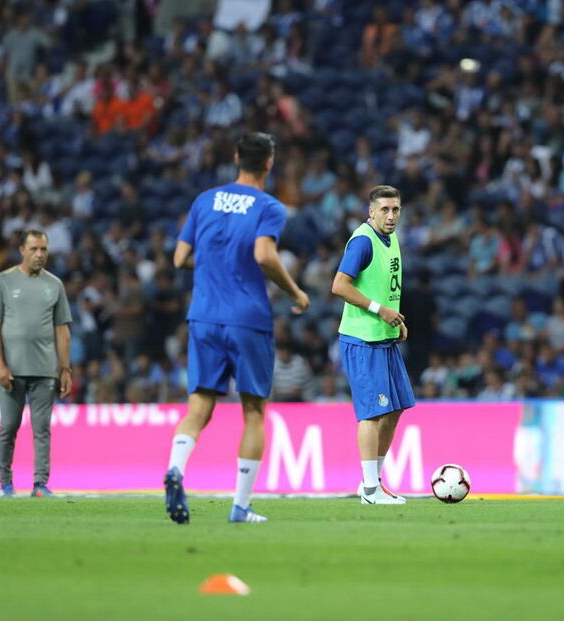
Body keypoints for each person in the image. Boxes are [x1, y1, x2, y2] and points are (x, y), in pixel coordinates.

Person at [163, 132, 309, 525]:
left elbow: (179, 258)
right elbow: (264, 254)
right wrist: (295, 291)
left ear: (235, 158)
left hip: (203, 316)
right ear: (269, 163)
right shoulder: (269, 206)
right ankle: (240, 507)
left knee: (199, 406)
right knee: (255, 411)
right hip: (247, 318)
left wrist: (215, 264)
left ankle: (176, 468)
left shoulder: (204, 200)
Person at [331, 185, 416, 505]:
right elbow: (339, 285)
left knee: (395, 408)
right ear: (371, 212)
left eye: (396, 209)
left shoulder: (391, 238)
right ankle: (369, 489)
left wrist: (395, 319)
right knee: (372, 413)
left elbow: (385, 286)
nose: (391, 216)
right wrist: (380, 311)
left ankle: (374, 482)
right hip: (363, 339)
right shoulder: (363, 241)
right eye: (384, 210)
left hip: (384, 337)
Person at [0, 230, 72, 498]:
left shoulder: (55, 285)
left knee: (42, 429)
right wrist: (1, 365)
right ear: (22, 250)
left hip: (45, 370)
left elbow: (62, 330)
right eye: (34, 249)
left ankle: (40, 484)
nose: (39, 254)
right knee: (8, 428)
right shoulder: (4, 281)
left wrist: (65, 369)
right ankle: (5, 483)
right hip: (12, 371)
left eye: (43, 249)